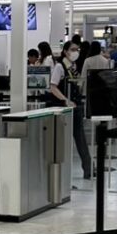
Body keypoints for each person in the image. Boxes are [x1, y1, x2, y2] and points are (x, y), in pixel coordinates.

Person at [48, 41, 91, 178]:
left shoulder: (73, 67)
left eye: (77, 49)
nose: (75, 52)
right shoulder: (60, 67)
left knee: (80, 138)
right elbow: (53, 87)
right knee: (64, 140)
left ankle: (88, 168)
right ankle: (62, 172)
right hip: (63, 108)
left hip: (76, 106)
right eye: (73, 49)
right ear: (65, 51)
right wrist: (65, 100)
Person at [80, 41, 115, 118]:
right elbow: (107, 75)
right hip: (101, 88)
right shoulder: (105, 61)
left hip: (89, 88)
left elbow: (83, 76)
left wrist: (80, 88)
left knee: (90, 108)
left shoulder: (88, 60)